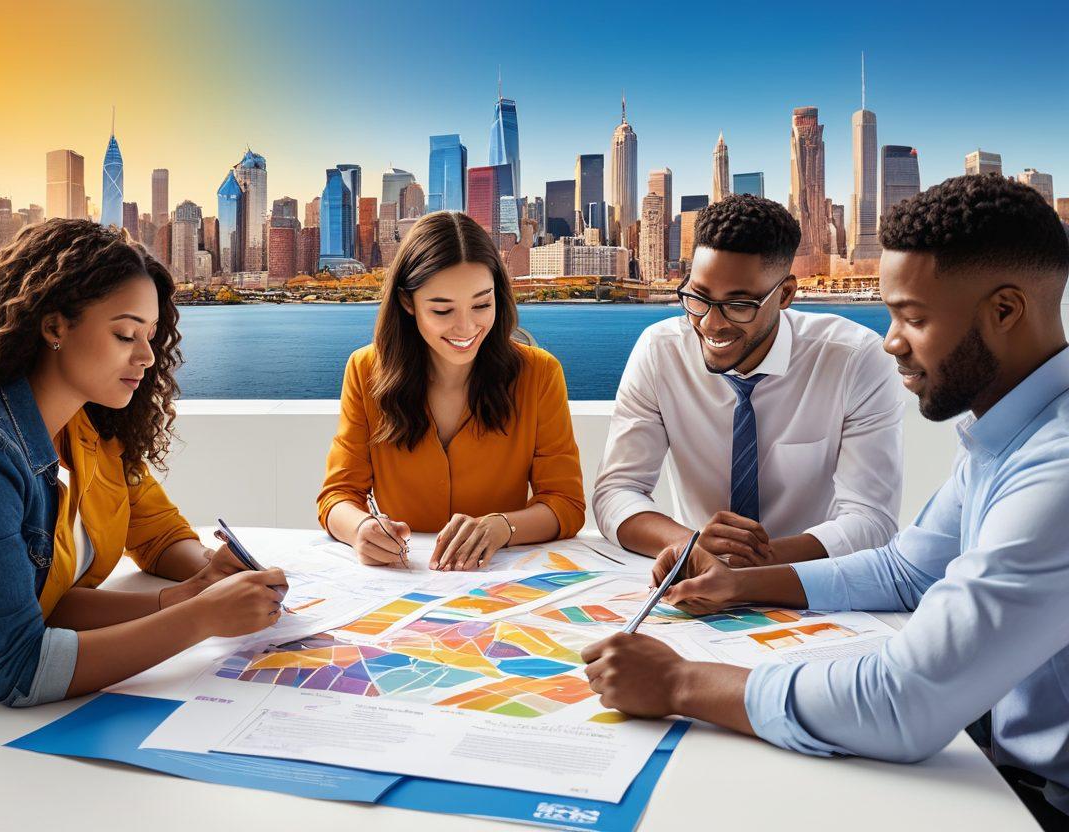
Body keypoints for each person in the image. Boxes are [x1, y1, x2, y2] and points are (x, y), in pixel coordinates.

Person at [581, 175, 1069, 828]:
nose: (892, 341)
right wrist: (740, 584)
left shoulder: (1055, 472)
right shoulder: (1010, 433)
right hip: (992, 753)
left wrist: (677, 683)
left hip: (1044, 800)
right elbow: (907, 572)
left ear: (1005, 311)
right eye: (893, 316)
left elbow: (904, 704)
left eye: (914, 319)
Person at [0, 219, 286, 741]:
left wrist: (198, 591)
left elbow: (53, 595)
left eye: (151, 337)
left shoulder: (83, 430)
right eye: (126, 334)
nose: (147, 358)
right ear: (54, 327)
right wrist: (201, 618)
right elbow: (20, 671)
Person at [592, 193, 903, 567]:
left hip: (806, 580)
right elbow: (616, 491)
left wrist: (745, 567)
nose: (710, 323)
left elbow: (872, 520)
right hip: (697, 576)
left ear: (785, 293)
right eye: (698, 297)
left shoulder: (855, 359)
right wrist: (692, 548)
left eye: (739, 305)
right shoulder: (661, 351)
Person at [318, 211, 585, 571]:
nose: (467, 327)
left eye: (482, 305)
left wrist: (500, 528)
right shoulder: (365, 370)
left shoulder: (540, 373)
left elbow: (566, 504)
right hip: (402, 578)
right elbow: (337, 497)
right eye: (442, 310)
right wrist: (361, 529)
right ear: (407, 303)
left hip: (496, 578)